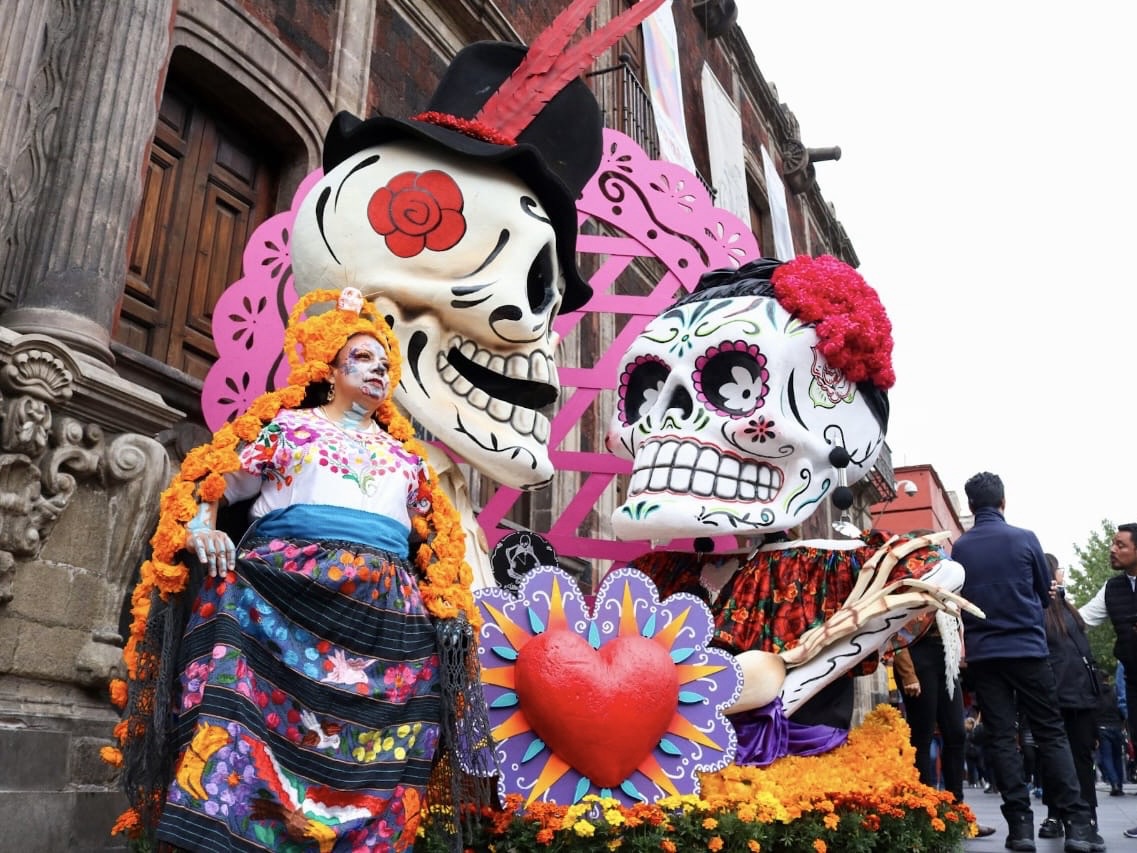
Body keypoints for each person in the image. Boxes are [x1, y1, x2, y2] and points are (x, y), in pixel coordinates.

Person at [114, 287, 490, 851]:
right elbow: (213, 484)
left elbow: (436, 543)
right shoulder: (289, 430)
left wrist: (451, 606)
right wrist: (203, 530)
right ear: (330, 369)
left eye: (384, 363)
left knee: (402, 722)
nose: (378, 369)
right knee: (234, 690)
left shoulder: (408, 460)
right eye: (361, 357)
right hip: (284, 595)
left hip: (380, 616)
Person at [955, 471, 1101, 852]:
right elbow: (1042, 592)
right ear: (1003, 502)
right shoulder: (1024, 539)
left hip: (986, 655)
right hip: (1028, 650)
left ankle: (1020, 827)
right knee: (1051, 733)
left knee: (1003, 738)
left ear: (971, 505)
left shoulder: (962, 548)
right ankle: (1078, 826)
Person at [1036, 554, 1102, 841]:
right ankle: (1060, 814)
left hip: (1078, 695)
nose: (1062, 574)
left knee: (1076, 759)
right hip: (1060, 695)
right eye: (1058, 569)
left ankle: (1083, 817)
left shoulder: (1067, 610)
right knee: (1058, 759)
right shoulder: (1042, 611)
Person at [1080, 523, 1137, 838]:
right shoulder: (1113, 588)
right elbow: (1082, 619)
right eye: (1113, 543)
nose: (1112, 549)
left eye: (1121, 545)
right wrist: (1054, 607)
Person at [1095, 670, 1126, 797]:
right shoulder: (1115, 692)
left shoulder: (1096, 694)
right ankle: (1120, 784)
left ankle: (1114, 784)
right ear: (1108, 679)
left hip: (1102, 728)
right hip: (1117, 727)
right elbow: (1121, 708)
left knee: (1107, 757)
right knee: (1118, 757)